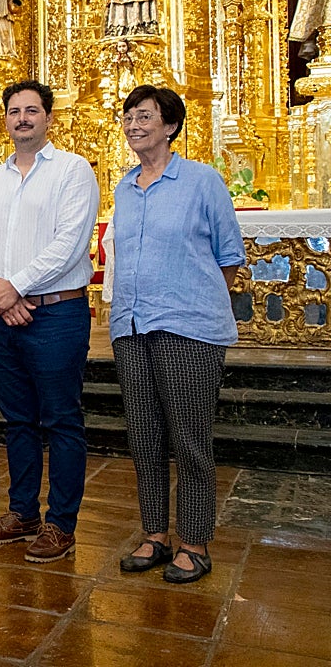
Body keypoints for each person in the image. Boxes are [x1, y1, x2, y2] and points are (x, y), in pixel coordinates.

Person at [109, 85, 245, 584]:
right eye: (127, 117)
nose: (132, 124)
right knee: (144, 437)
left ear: (170, 125)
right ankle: (154, 534)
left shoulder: (202, 181)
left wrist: (194, 301)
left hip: (189, 329)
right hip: (131, 325)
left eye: (144, 116)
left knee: (189, 439)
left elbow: (230, 257)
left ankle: (195, 541)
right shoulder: (124, 187)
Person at [0, 80, 99, 563]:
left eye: (32, 110)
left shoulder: (72, 171)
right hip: (5, 317)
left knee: (62, 419)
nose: (22, 118)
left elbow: (69, 243)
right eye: (14, 111)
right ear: (5, 120)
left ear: (48, 117)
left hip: (57, 314)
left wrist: (13, 286)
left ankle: (62, 523)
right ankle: (23, 513)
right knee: (17, 419)